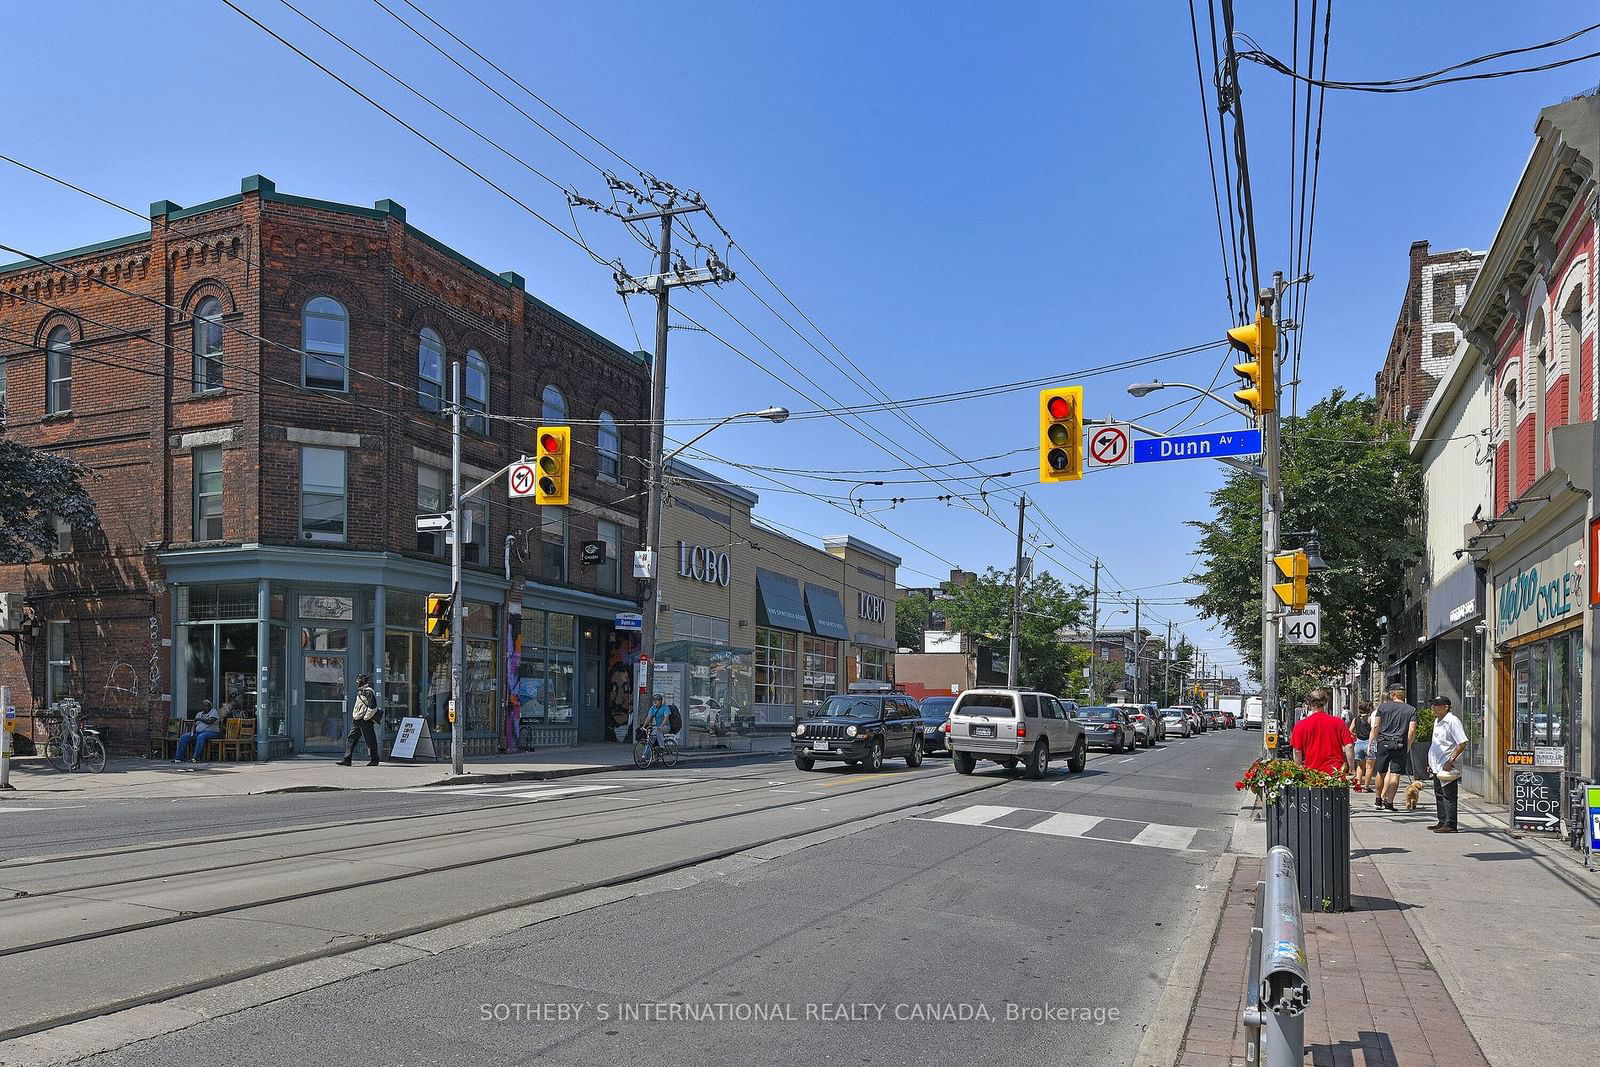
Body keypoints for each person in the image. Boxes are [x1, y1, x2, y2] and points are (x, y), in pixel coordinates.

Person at [1371, 686, 1417, 812]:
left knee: (1381, 772)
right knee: (1395, 774)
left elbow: (1376, 726)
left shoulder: (1382, 707)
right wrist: (1408, 744)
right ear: (1403, 695)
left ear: (1392, 695)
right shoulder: (1411, 709)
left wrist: (1376, 740)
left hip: (1383, 742)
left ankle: (1378, 799)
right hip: (1400, 743)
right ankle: (1389, 802)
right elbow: (1412, 730)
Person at [1426, 696, 1468, 833]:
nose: (1433, 707)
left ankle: (1450, 824)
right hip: (1436, 764)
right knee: (1439, 793)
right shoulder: (1437, 721)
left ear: (1446, 707)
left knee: (1449, 795)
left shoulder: (1452, 721)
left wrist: (1451, 760)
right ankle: (1442, 820)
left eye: (1437, 705)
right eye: (1432, 704)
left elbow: (1461, 743)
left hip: (1446, 764)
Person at [1290, 690, 1354, 774]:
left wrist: (1298, 771)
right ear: (1325, 703)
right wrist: (1351, 768)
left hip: (1312, 774)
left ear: (1309, 704)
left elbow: (1297, 751)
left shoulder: (1300, 726)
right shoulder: (1339, 723)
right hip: (1336, 773)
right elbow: (1349, 746)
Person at [337, 674, 381, 767]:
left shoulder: (369, 691)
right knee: (351, 738)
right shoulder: (361, 691)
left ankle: (374, 760)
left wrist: (366, 718)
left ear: (363, 681)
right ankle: (347, 759)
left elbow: (373, 707)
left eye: (359, 681)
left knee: (370, 740)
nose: (357, 683)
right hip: (357, 719)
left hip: (365, 720)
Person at [1350, 699, 1375, 792]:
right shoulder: (1370, 718)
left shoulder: (1355, 719)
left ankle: (1358, 785)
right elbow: (1374, 729)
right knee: (1369, 767)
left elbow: (1350, 730)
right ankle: (1366, 786)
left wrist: (1357, 735)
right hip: (1369, 743)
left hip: (1359, 743)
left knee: (1360, 766)